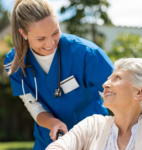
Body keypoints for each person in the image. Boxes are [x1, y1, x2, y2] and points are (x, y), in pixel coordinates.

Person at [4, 0, 114, 149]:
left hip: (94, 139)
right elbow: (34, 106)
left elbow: (119, 98)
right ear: (23, 33)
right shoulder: (14, 63)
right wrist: (53, 123)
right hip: (50, 141)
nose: (50, 43)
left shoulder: (87, 54)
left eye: (55, 32)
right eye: (41, 39)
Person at [46, 57, 142, 150]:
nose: (105, 84)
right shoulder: (93, 125)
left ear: (140, 92)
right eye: (108, 79)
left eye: (117, 77)